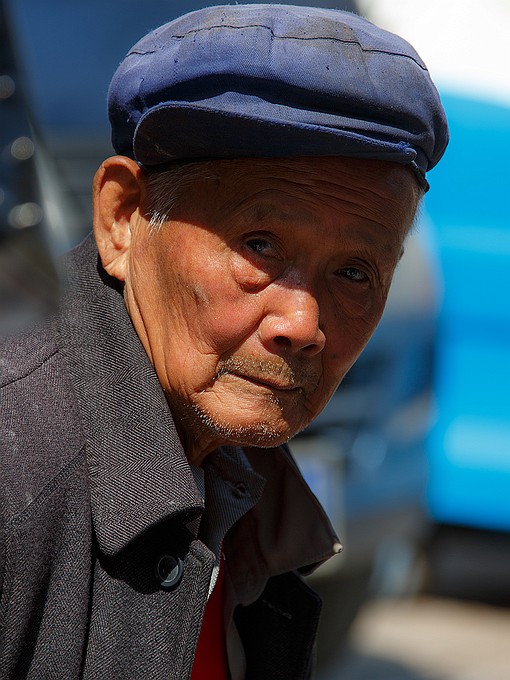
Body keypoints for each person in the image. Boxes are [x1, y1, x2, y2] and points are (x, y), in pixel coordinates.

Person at [0, 4, 448, 679]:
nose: (301, 323)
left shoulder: (243, 484)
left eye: (355, 273)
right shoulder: (16, 467)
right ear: (123, 218)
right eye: (259, 245)